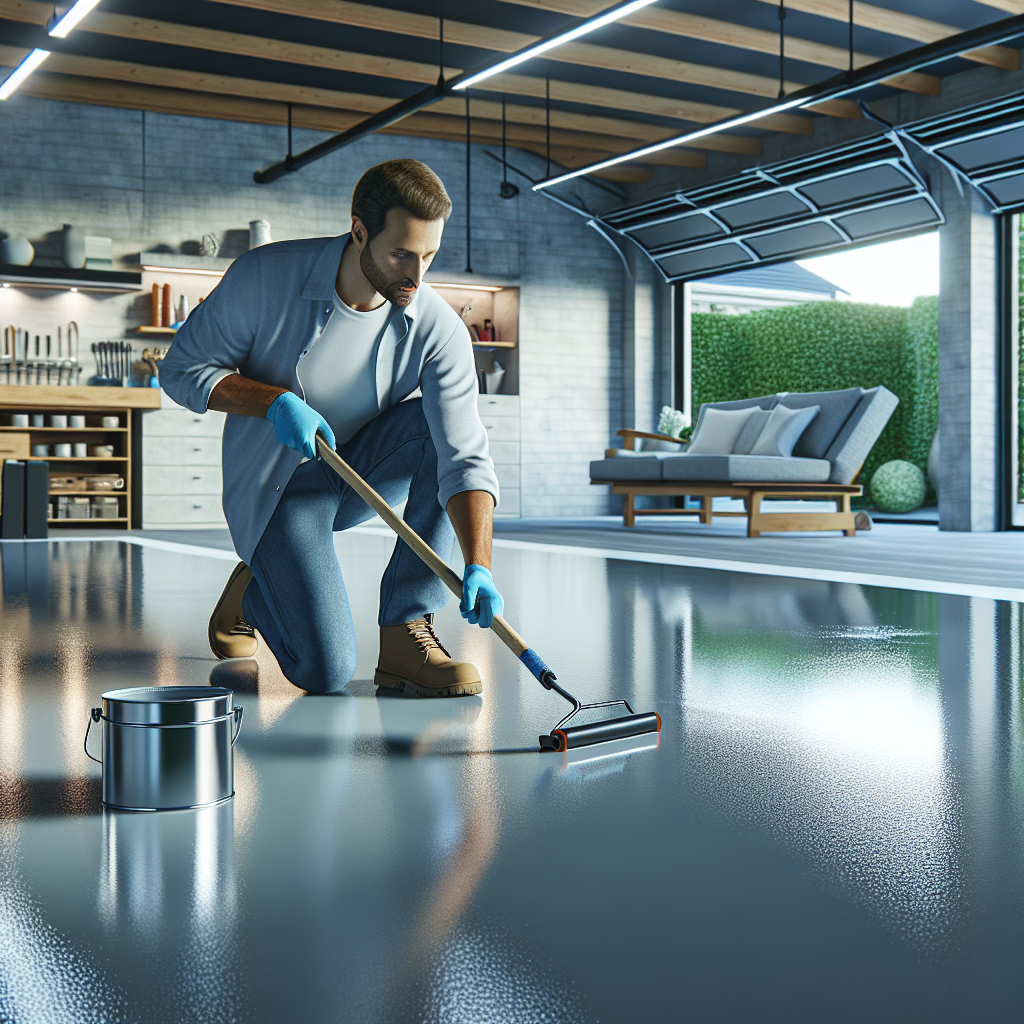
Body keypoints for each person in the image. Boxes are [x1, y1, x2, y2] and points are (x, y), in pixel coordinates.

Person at [159, 159, 503, 697]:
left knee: (432, 429)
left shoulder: (439, 329)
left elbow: (464, 455)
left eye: (429, 256)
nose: (416, 276)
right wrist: (273, 403)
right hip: (276, 492)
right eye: (401, 254)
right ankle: (255, 588)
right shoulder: (264, 276)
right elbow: (180, 370)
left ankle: (406, 629)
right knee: (324, 671)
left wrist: (479, 563)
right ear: (359, 231)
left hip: (352, 477)